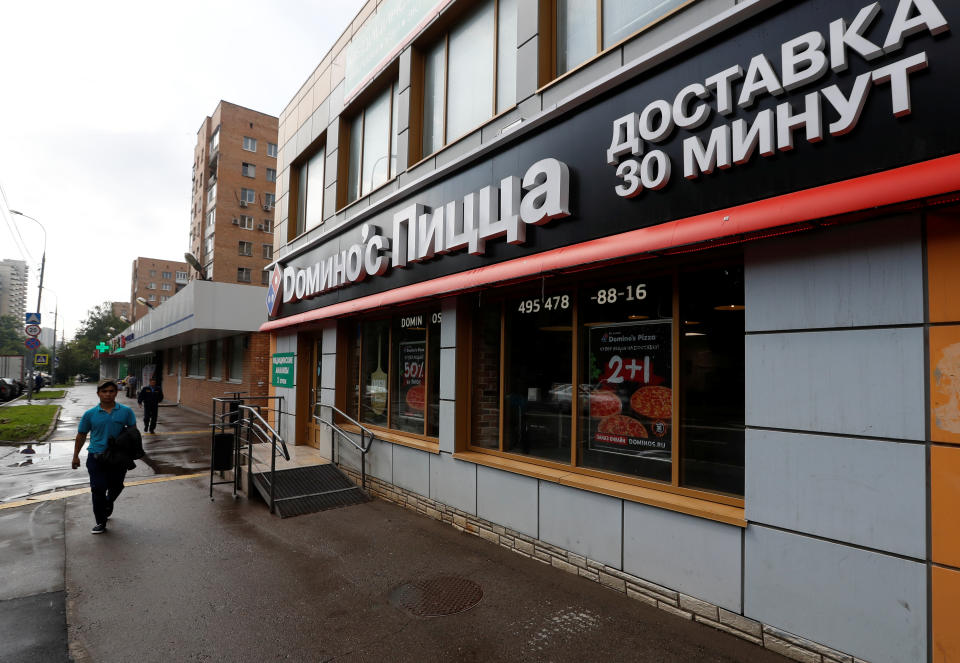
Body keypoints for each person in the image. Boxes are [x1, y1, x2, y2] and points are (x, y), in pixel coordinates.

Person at [71, 379, 137, 534]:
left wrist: (131, 451)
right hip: (96, 457)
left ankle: (108, 502)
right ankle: (100, 521)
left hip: (118, 457)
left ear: (116, 392)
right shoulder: (90, 414)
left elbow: (133, 434)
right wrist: (75, 456)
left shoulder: (126, 412)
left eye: (111, 391)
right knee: (98, 489)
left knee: (117, 486)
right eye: (104, 391)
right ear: (98, 393)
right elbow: (81, 435)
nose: (108, 394)